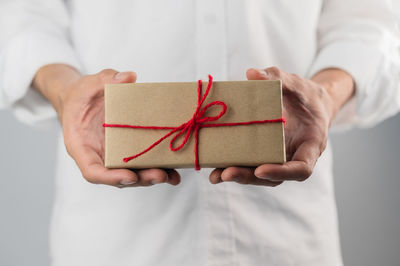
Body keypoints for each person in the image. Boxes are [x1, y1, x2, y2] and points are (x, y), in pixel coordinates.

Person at [1, 0, 399, 265]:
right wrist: (65, 90)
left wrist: (326, 95)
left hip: (286, 237)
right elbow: (19, 18)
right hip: (114, 242)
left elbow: (373, 23)